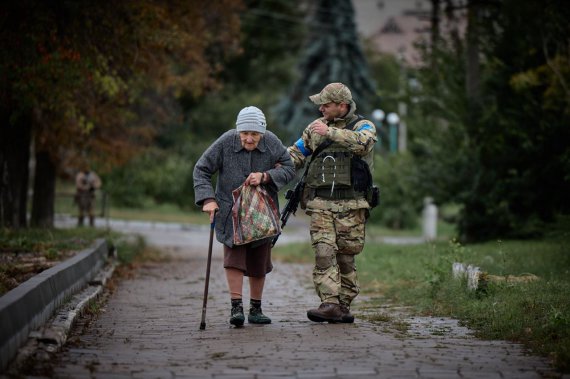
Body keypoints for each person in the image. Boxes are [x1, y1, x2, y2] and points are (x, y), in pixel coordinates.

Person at [193, 106, 296, 327]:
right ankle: (236, 306)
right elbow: (201, 169)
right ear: (238, 131)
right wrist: (208, 199)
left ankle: (256, 309)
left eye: (254, 134)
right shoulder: (226, 142)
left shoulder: (272, 142)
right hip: (230, 211)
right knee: (234, 257)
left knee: (259, 260)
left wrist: (266, 176)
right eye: (244, 134)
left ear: (262, 133)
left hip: (261, 212)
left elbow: (289, 168)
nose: (249, 139)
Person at [287, 82, 377, 323]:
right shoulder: (315, 128)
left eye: (325, 105)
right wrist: (269, 167)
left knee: (346, 258)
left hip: (352, 206)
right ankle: (329, 302)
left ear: (342, 105)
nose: (321, 110)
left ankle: (343, 305)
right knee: (324, 253)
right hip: (321, 205)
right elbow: (295, 154)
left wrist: (331, 133)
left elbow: (364, 142)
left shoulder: (363, 125)